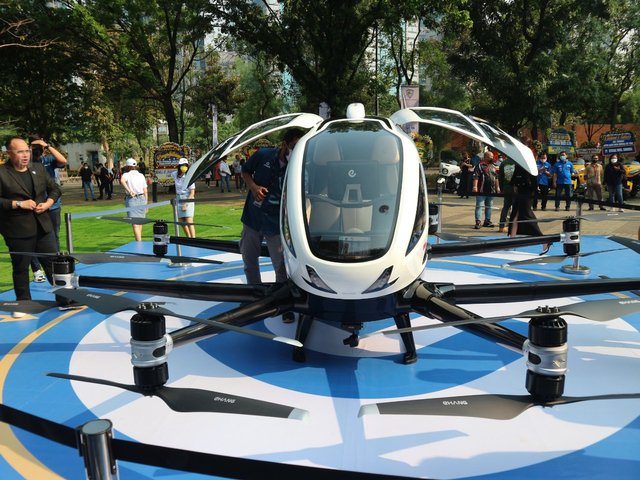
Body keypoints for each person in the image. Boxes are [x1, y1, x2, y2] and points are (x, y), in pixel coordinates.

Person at [240, 128, 305, 323]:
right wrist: (254, 187)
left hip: (276, 223)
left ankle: (284, 304)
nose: (296, 150)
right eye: (294, 146)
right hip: (253, 218)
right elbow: (245, 171)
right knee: (249, 261)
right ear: (284, 145)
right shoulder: (263, 154)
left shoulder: (298, 165)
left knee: (281, 267)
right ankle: (254, 298)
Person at [0, 137, 61, 314]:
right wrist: (18, 204)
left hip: (43, 226)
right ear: (9, 153)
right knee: (21, 267)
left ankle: (65, 297)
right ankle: (23, 303)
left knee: (53, 264)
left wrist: (48, 203)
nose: (25, 155)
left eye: (27, 150)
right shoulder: (2, 172)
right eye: (20, 151)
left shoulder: (39, 168)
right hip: (17, 229)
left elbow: (55, 189)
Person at [27, 135, 68, 282]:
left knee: (54, 236)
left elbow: (63, 161)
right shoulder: (26, 161)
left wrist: (47, 145)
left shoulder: (48, 160)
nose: (38, 150)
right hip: (33, 206)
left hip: (52, 205)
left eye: (39, 147)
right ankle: (37, 269)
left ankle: (55, 264)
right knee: (32, 239)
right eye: (34, 147)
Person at [508, 164, 549, 254]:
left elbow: (533, 177)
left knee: (526, 214)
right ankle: (511, 242)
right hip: (520, 190)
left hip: (527, 191)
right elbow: (515, 177)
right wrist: (514, 184)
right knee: (515, 215)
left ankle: (544, 239)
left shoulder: (529, 164)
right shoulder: (519, 163)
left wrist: (535, 187)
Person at [120, 158, 148, 241]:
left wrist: (129, 191)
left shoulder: (127, 174)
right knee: (140, 223)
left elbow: (122, 181)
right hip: (142, 198)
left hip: (132, 199)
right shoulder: (141, 175)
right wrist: (146, 204)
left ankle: (139, 243)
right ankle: (139, 241)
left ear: (128, 166)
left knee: (135, 223)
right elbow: (145, 191)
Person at [471, 151, 500, 229]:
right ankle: (478, 221)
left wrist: (498, 188)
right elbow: (475, 177)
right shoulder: (480, 166)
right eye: (491, 156)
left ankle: (487, 220)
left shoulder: (493, 166)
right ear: (486, 157)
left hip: (491, 190)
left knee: (489, 206)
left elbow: (496, 178)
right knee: (479, 206)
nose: (492, 158)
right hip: (482, 190)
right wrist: (475, 187)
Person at [172, 157, 196, 237]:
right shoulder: (175, 174)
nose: (184, 167)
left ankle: (194, 240)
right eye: (182, 165)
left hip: (187, 197)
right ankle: (188, 239)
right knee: (182, 221)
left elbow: (192, 193)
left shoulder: (189, 176)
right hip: (179, 197)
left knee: (189, 221)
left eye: (185, 165)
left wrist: (186, 204)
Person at [498, 155, 516, 233]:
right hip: (515, 189)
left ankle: (502, 226)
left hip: (506, 188)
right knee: (515, 209)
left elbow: (500, 177)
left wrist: (502, 188)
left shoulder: (503, 163)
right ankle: (513, 227)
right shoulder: (517, 163)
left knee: (506, 207)